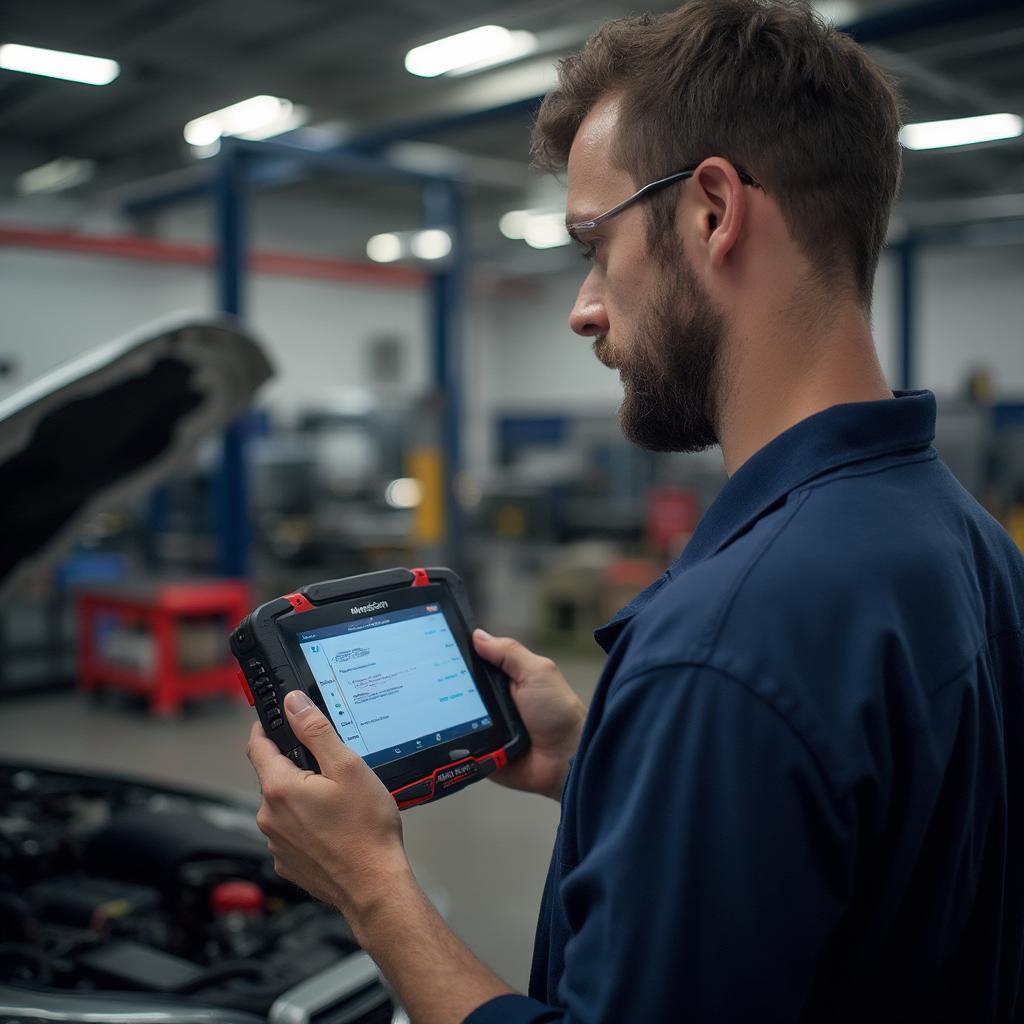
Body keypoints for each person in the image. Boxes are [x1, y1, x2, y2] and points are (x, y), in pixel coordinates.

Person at [246, 1, 1024, 1020]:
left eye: (592, 244)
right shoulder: (958, 536)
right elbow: (878, 880)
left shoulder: (730, 640)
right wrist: (606, 766)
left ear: (711, 211)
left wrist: (371, 887)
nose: (582, 306)